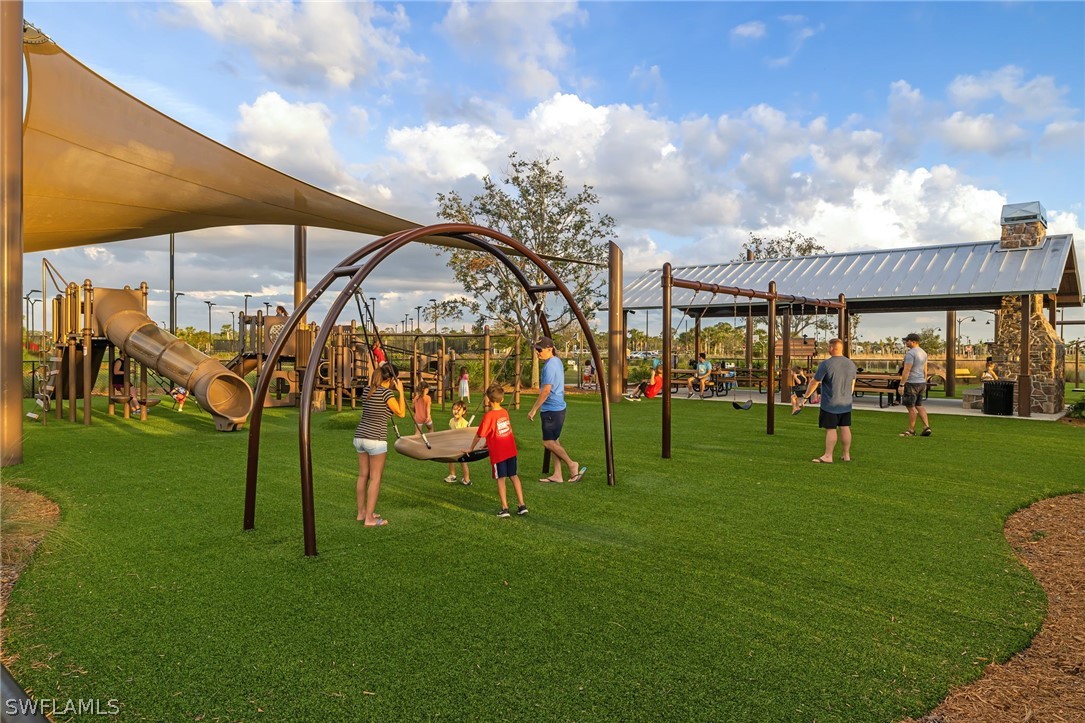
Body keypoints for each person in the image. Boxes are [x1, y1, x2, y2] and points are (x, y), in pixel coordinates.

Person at [353, 363, 406, 526]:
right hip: (375, 439)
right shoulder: (387, 393)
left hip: (360, 436)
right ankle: (369, 519)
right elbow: (401, 413)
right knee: (375, 478)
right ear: (392, 379)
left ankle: (362, 513)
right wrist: (401, 392)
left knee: (363, 476)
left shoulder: (367, 390)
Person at [528, 337, 585, 484]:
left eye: (539, 349)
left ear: (550, 349)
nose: (537, 352)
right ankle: (557, 475)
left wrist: (534, 409)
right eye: (536, 349)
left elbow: (546, 391)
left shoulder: (549, 366)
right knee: (554, 442)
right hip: (557, 408)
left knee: (548, 443)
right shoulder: (556, 361)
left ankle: (572, 464)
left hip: (552, 410)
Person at [465, 385, 527, 517]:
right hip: (511, 451)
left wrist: (471, 448)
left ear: (488, 399)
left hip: (499, 454)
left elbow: (479, 434)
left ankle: (505, 508)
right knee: (514, 476)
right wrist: (486, 444)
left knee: (501, 479)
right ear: (502, 399)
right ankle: (522, 505)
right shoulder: (504, 412)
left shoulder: (489, 416)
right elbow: (498, 431)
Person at [799, 338, 857, 463]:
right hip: (846, 403)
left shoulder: (826, 364)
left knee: (831, 429)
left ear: (831, 348)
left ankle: (828, 456)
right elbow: (852, 383)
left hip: (830, 403)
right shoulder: (851, 364)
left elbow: (814, 382)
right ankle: (846, 455)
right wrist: (847, 396)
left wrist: (806, 397)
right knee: (845, 427)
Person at [899, 332, 933, 437]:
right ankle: (926, 427)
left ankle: (911, 430)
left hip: (911, 383)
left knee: (911, 407)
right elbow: (925, 369)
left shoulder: (910, 354)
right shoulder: (923, 353)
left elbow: (907, 370)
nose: (905, 342)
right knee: (919, 405)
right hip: (921, 382)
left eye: (907, 341)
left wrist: (901, 384)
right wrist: (925, 381)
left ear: (913, 342)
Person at [444, 400, 472, 485]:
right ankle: (452, 475)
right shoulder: (451, 421)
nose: (456, 411)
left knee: (463, 462)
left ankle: (467, 479)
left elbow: (467, 436)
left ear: (463, 412)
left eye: (458, 410)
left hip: (462, 446)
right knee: (450, 459)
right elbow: (450, 431)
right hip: (453, 444)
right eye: (454, 409)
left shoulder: (464, 423)